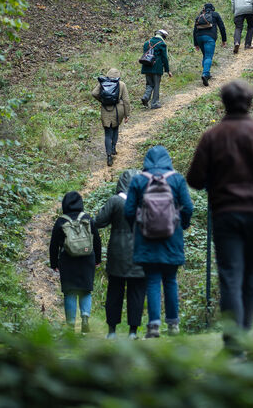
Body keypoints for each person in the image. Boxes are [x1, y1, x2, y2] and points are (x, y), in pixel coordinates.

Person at [186, 80, 253, 353]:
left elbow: (195, 179)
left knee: (230, 276)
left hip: (226, 214)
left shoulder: (213, 136)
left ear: (223, 103)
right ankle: (243, 337)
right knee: (251, 277)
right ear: (250, 103)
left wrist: (217, 178)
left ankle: (233, 343)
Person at [125, 146, 194, 339]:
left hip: (146, 239)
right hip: (172, 238)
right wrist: (182, 225)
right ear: (167, 159)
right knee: (170, 280)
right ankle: (173, 325)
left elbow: (129, 211)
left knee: (153, 280)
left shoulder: (139, 180)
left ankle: (154, 326)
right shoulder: (176, 179)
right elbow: (188, 207)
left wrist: (137, 228)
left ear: (146, 160)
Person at [94, 169, 146, 340]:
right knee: (136, 292)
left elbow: (99, 221)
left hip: (117, 253)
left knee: (114, 291)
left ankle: (112, 331)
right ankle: (132, 332)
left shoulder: (115, 201)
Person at [49, 191, 101, 334]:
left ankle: (71, 326)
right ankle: (85, 318)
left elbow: (53, 245)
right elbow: (97, 240)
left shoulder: (61, 221)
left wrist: (54, 263)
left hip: (68, 260)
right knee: (86, 290)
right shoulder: (87, 218)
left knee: (70, 291)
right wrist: (97, 260)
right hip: (87, 259)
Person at [91, 67, 130, 167]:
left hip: (105, 110)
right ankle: (113, 148)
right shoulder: (121, 84)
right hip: (118, 110)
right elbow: (126, 100)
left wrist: (102, 100)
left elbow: (94, 93)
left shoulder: (102, 83)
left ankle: (108, 156)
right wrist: (127, 114)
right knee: (115, 128)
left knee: (107, 133)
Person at [192, 3, 227, 85]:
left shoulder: (199, 17)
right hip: (209, 38)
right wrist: (224, 40)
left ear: (203, 9)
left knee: (205, 55)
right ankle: (205, 74)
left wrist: (196, 43)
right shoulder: (215, 15)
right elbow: (221, 27)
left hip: (199, 38)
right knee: (208, 56)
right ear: (213, 9)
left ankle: (206, 72)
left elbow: (194, 30)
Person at [140, 29, 172, 109]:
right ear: (163, 36)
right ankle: (154, 103)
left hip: (146, 65)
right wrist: (167, 70)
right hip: (156, 67)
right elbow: (165, 58)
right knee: (156, 85)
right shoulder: (162, 44)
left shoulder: (147, 43)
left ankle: (146, 97)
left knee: (149, 84)